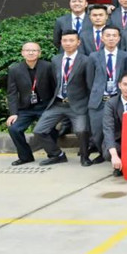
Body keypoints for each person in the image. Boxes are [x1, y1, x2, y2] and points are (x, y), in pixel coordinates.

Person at [33, 30, 91, 166]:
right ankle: (57, 155)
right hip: (58, 103)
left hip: (78, 104)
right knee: (39, 130)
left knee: (81, 131)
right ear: (61, 42)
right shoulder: (56, 59)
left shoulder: (86, 60)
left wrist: (88, 104)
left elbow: (89, 84)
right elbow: (54, 81)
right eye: (65, 40)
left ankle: (84, 156)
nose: (68, 43)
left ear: (78, 42)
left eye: (71, 40)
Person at [86, 25, 127, 164]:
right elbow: (89, 79)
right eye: (108, 35)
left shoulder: (126, 56)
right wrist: (96, 92)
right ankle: (103, 153)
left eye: (114, 36)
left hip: (117, 98)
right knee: (97, 130)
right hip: (99, 99)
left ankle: (117, 154)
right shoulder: (94, 56)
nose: (111, 38)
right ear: (102, 38)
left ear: (119, 38)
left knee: (118, 129)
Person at [6, 42, 57, 165]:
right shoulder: (14, 69)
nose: (30, 53)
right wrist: (13, 113)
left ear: (39, 53)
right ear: (22, 53)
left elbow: (55, 88)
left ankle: (54, 155)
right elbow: (12, 93)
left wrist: (54, 107)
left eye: (34, 50)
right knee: (14, 129)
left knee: (49, 128)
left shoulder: (48, 66)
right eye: (27, 50)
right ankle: (25, 156)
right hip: (25, 108)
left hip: (45, 106)